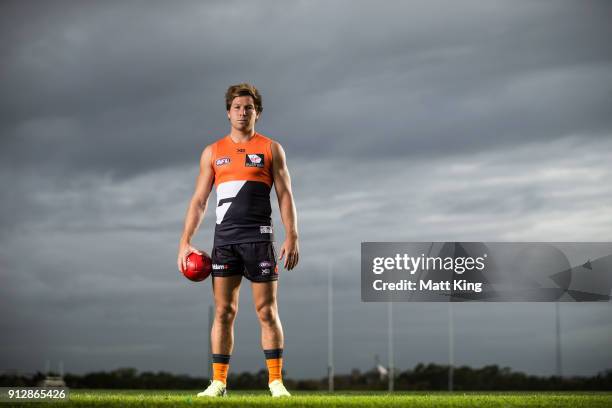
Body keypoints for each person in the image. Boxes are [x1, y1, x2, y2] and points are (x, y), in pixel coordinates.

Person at [177, 83, 299, 398]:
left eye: (248, 108)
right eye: (237, 108)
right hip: (225, 242)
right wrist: (185, 242)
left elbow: (285, 195)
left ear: (257, 112)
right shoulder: (213, 152)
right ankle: (218, 383)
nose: (242, 113)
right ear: (228, 113)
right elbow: (199, 201)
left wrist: (292, 235)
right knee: (223, 312)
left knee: (267, 311)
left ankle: (275, 382)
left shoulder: (272, 149)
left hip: (259, 239)